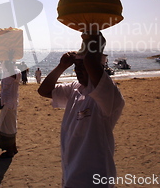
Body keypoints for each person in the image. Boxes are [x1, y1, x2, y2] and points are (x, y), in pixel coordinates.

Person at [38, 32, 125, 187]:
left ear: (98, 66)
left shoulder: (107, 93)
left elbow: (91, 61)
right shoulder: (75, 89)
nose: (78, 70)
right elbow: (44, 91)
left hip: (94, 178)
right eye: (76, 66)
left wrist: (94, 34)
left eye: (83, 66)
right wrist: (62, 66)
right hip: (70, 174)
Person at [0, 60, 21, 158]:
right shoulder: (6, 72)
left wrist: (9, 57)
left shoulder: (17, 72)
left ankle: (10, 151)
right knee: (7, 125)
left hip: (11, 104)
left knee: (9, 127)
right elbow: (3, 89)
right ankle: (13, 148)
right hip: (5, 103)